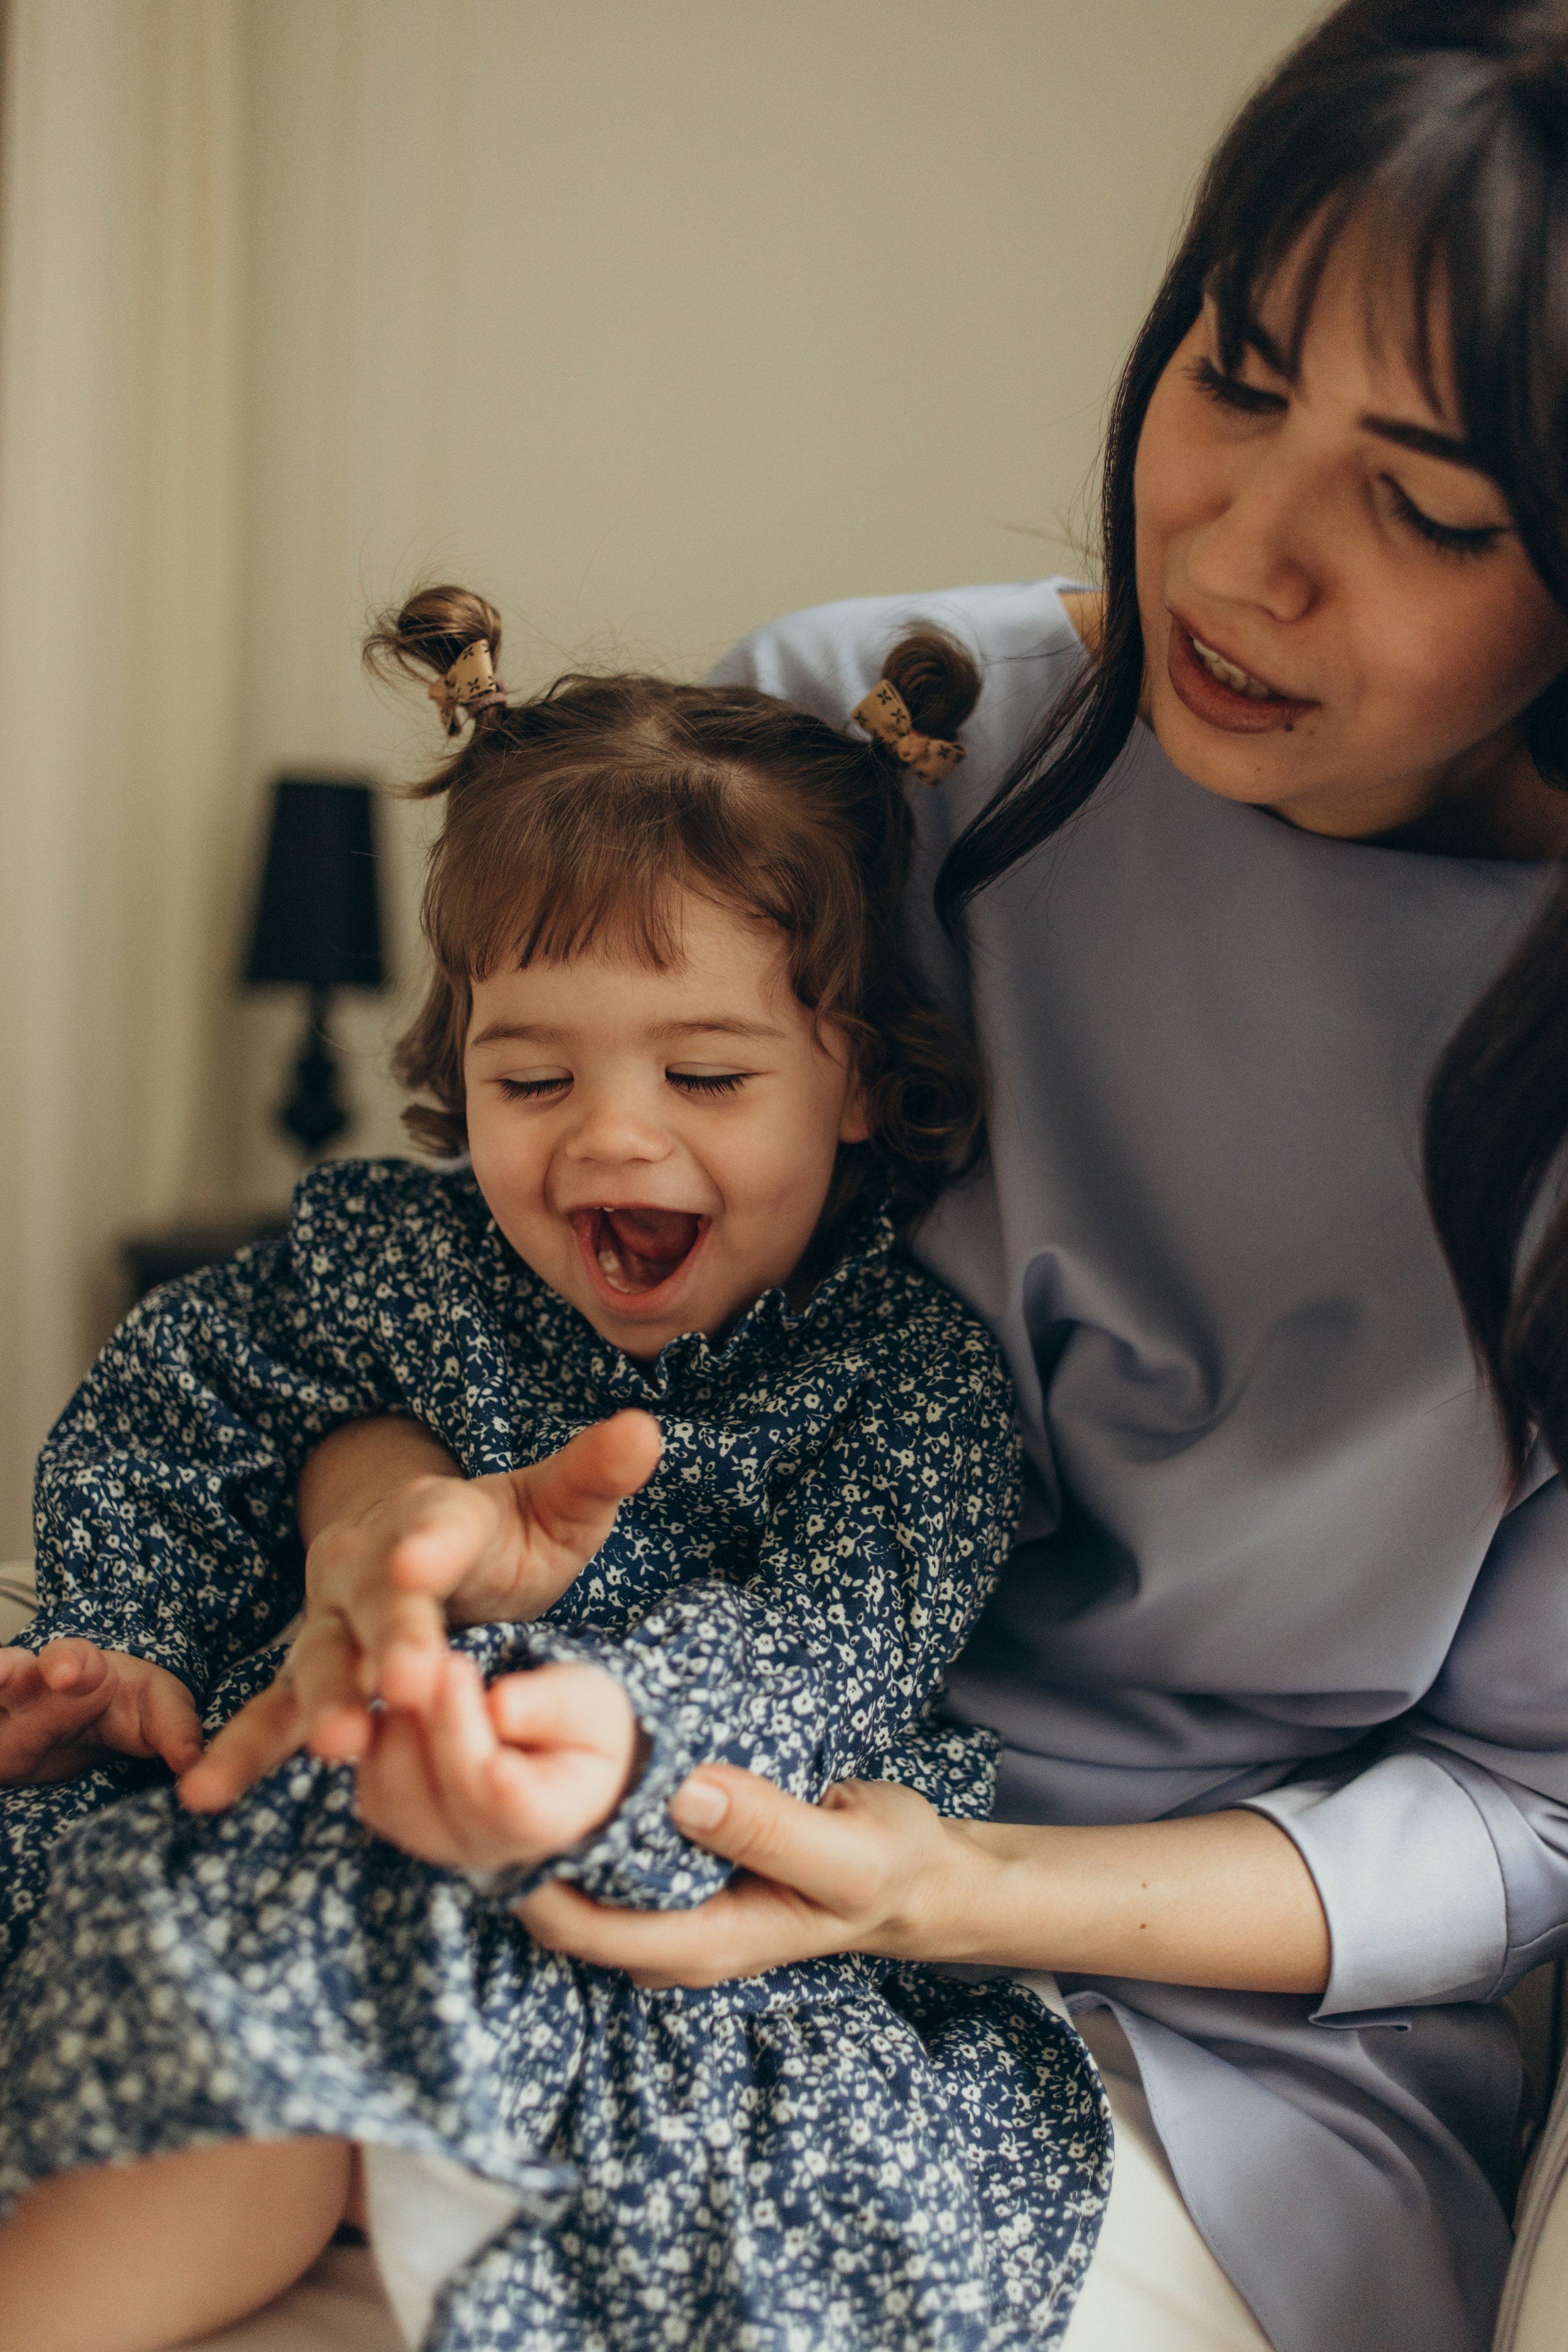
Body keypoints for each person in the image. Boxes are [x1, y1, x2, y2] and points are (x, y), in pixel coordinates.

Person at [262, 7, 1568, 2350]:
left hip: (1185, 2027)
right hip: (615, 1787)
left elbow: (1524, 1810)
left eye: (1431, 508)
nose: (1243, 555)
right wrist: (386, 1537)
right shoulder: (873, 749)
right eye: (1235, 379)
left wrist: (945, 1890)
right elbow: (482, 1334)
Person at [0, 595, 1110, 2351]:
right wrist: (127, 1644)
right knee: (213, 1971)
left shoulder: (908, 1381)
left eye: (707, 1073)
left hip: (641, 1878)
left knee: (675, 2131)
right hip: (303, 1826)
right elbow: (177, 1409)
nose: (611, 1132)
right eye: (532, 1076)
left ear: (857, 1080)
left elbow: (829, 1644)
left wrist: (602, 1745)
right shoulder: (401, 1260)